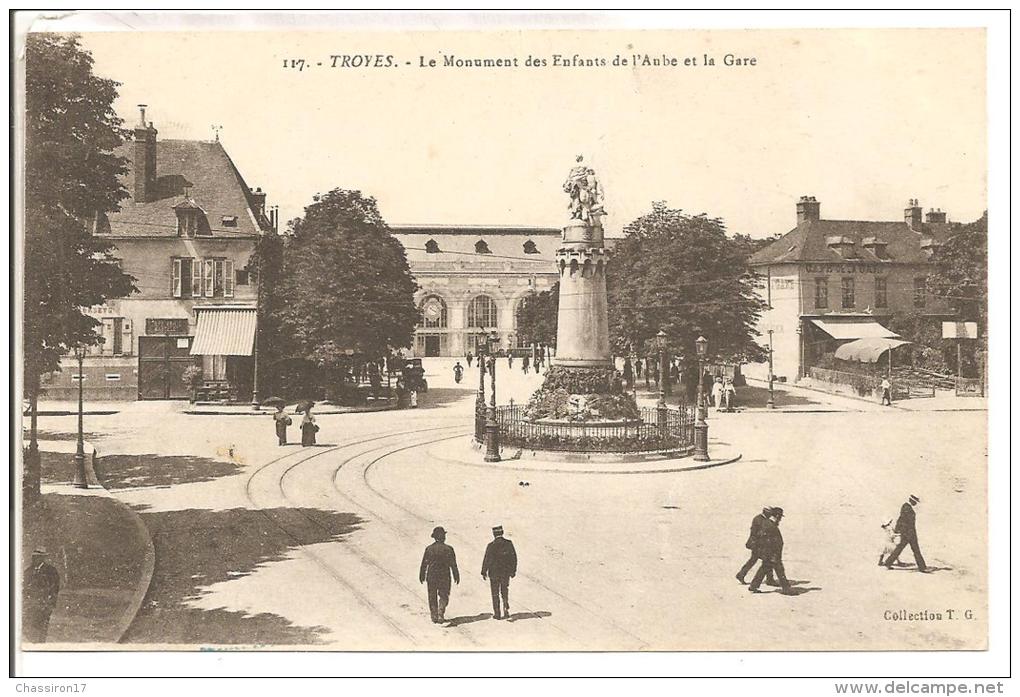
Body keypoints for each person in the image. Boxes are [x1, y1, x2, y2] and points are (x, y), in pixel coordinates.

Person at [419, 526, 460, 623]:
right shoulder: (449, 549)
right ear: (443, 537)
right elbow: (453, 564)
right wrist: (456, 575)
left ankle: (434, 616)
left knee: (432, 595)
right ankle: (441, 611)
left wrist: (422, 575)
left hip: (432, 576)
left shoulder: (429, 549)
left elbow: (424, 564)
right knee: (444, 595)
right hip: (444, 576)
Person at [749, 508, 791, 594]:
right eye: (780, 517)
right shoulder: (770, 525)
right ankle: (786, 589)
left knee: (764, 569)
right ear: (777, 516)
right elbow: (767, 540)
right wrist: (772, 554)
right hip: (772, 553)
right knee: (780, 570)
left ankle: (753, 586)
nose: (780, 519)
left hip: (769, 553)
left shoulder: (769, 523)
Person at [23, 549, 60, 643]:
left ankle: (40, 645)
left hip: (45, 603)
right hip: (32, 604)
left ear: (43, 558)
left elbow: (55, 587)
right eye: (33, 557)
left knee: (42, 626)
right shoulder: (28, 571)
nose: (34, 559)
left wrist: (50, 603)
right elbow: (25, 588)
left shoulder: (51, 571)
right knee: (32, 627)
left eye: (37, 557)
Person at [481, 525, 518, 620]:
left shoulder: (491, 545)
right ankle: (506, 606)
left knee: (495, 593)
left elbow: (487, 559)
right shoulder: (509, 543)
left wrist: (484, 571)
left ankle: (497, 613)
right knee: (504, 590)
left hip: (494, 573)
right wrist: (513, 570)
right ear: (502, 533)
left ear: (494, 534)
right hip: (505, 573)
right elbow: (513, 558)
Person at [883, 495, 927, 572]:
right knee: (915, 550)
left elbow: (900, 520)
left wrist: (898, 530)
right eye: (915, 502)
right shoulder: (907, 508)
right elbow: (902, 520)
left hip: (907, 533)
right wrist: (901, 531)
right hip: (909, 533)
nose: (916, 504)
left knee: (900, 548)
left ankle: (888, 563)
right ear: (912, 501)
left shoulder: (906, 507)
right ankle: (922, 567)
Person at [736, 507, 778, 586]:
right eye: (769, 513)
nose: (771, 514)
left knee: (761, 560)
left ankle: (741, 575)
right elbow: (757, 533)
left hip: (760, 544)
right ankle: (769, 579)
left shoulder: (762, 518)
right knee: (764, 560)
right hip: (758, 544)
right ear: (765, 512)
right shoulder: (758, 519)